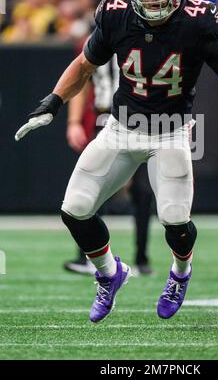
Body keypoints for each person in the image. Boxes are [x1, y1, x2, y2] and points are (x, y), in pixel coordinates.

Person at [15, 0, 218, 323]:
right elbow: (84, 65)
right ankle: (110, 274)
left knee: (174, 217)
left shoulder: (197, 22)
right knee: (74, 210)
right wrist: (53, 102)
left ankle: (180, 274)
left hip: (170, 133)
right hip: (121, 128)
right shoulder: (116, 15)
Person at [64, 55, 154, 276]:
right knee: (93, 187)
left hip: (140, 119)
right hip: (105, 119)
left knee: (143, 191)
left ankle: (142, 258)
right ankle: (86, 255)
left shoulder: (140, 35)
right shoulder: (101, 35)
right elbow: (82, 77)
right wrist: (74, 121)